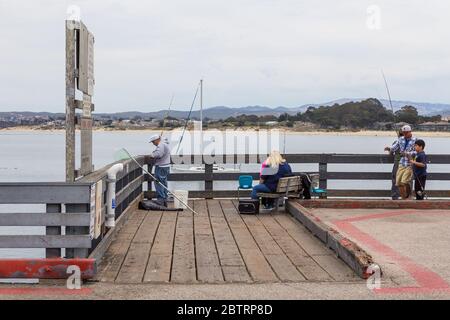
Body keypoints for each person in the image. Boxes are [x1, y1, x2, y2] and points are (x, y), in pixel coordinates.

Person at [384, 125, 417, 199]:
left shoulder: (415, 140)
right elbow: (394, 148)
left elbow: (417, 151)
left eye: (406, 133)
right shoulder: (400, 140)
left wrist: (408, 153)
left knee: (405, 181)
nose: (404, 134)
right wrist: (389, 148)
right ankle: (404, 198)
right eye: (403, 133)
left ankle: (407, 196)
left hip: (408, 163)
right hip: (401, 163)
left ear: (410, 132)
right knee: (398, 182)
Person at [149, 134, 171, 207]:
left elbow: (158, 154)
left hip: (161, 166)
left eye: (153, 142)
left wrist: (152, 154)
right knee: (163, 182)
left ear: (156, 140)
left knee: (158, 183)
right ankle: (164, 199)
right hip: (166, 166)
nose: (153, 143)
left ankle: (161, 200)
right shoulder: (165, 144)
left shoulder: (161, 145)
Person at [385, 129, 404, 200]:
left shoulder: (396, 142)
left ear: (398, 134)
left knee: (395, 180)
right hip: (406, 164)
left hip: (397, 163)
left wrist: (389, 150)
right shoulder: (409, 142)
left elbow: (391, 154)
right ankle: (405, 196)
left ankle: (395, 196)